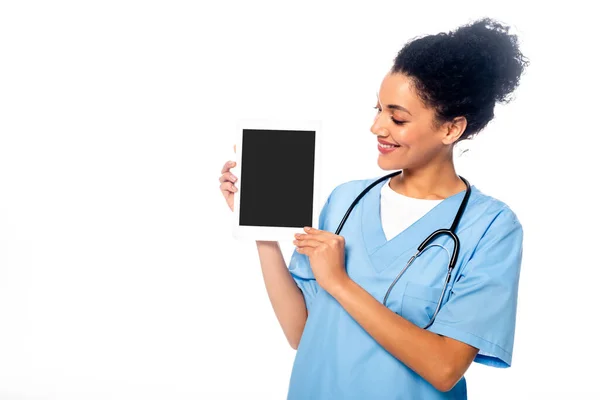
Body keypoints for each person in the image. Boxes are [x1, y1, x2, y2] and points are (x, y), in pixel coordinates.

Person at [219, 17, 528, 399]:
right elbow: (302, 331)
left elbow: (445, 368)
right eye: (378, 110)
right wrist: (260, 228)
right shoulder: (346, 201)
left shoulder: (491, 227)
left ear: (451, 129)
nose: (377, 127)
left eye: (397, 118)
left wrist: (339, 282)